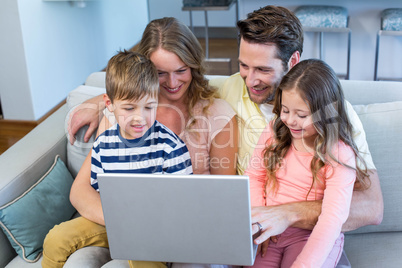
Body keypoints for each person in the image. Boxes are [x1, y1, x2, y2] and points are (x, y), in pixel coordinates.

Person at [69, 5, 383, 267]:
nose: (251, 79)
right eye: (244, 66)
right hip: (254, 236)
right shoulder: (230, 89)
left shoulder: (333, 112)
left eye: (262, 69)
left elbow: (372, 207)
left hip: (314, 237)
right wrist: (101, 101)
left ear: (293, 62)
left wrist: (287, 214)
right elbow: (175, 90)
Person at [52, 17, 238, 268]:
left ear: (193, 66)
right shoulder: (122, 115)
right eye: (160, 73)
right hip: (119, 224)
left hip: (183, 229)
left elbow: (222, 199)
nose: (172, 84)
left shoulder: (218, 115)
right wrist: (124, 221)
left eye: (181, 70)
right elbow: (81, 189)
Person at [42, 50, 194, 268]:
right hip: (113, 222)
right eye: (129, 108)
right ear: (109, 103)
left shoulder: (171, 147)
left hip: (152, 229)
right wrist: (118, 219)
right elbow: (96, 192)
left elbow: (183, 205)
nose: (139, 118)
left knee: (142, 255)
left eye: (149, 107)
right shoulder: (104, 144)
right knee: (56, 238)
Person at [246, 59, 370, 268]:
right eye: (285, 110)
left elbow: (332, 220)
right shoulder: (274, 131)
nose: (290, 120)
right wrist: (260, 224)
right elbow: (255, 175)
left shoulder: (339, 154)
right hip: (271, 233)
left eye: (301, 115)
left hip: (312, 238)